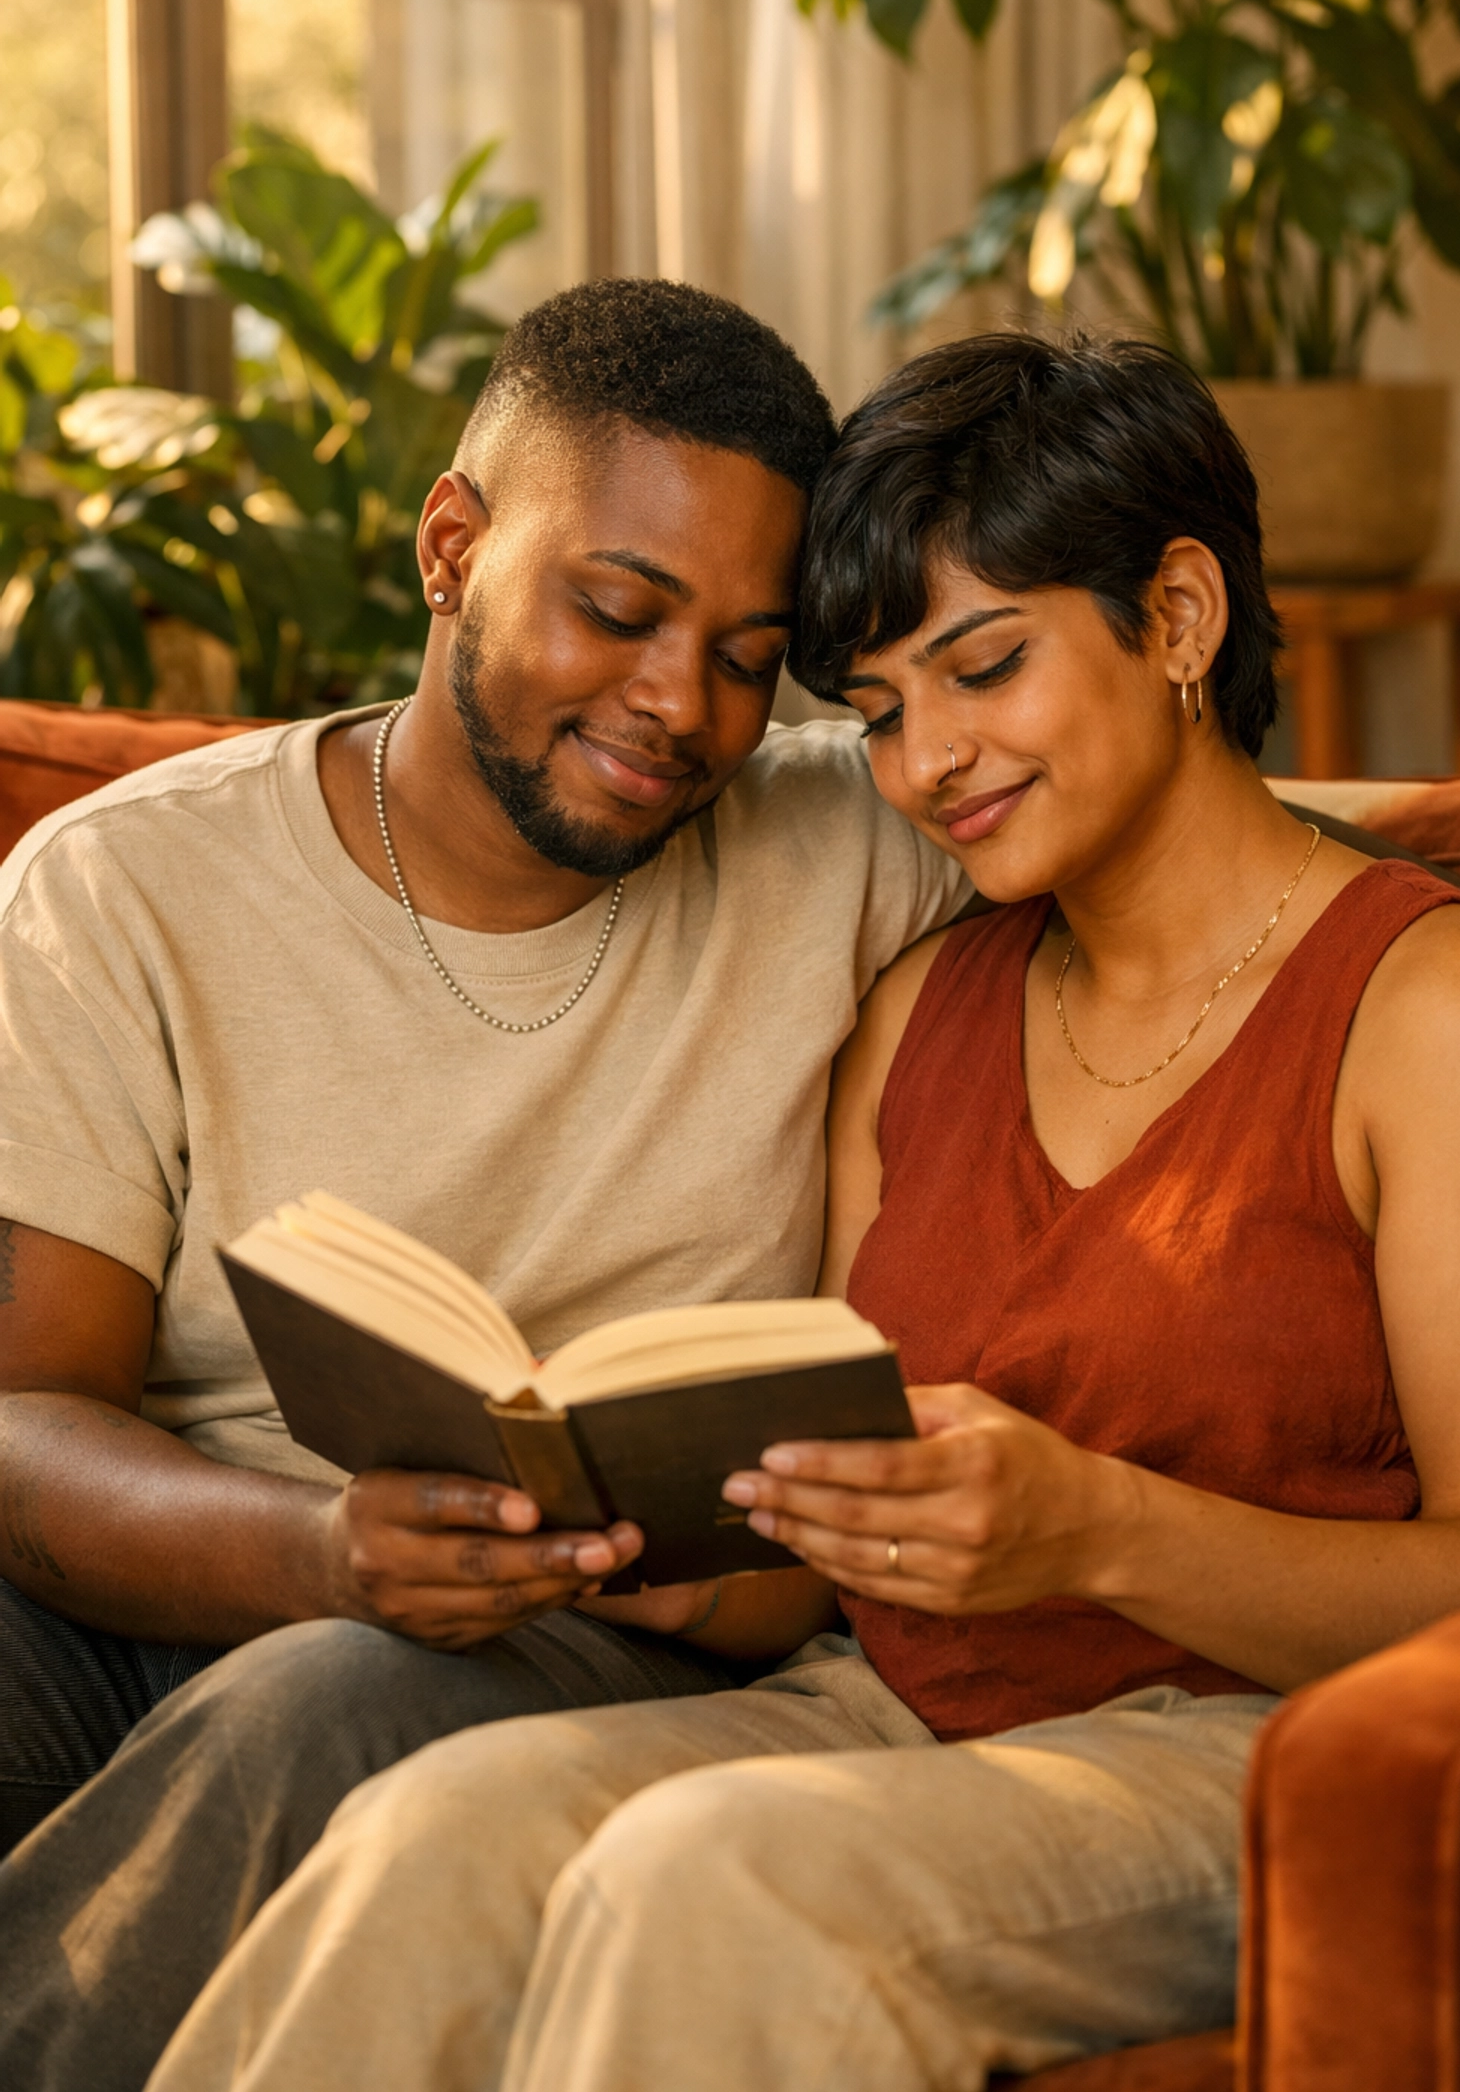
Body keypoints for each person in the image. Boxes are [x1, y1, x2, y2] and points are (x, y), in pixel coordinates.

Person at [144, 331, 1460, 2092]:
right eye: (878, 714)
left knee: (705, 1877)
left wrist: (1097, 1532)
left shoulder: (1438, 1010)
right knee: (440, 1832)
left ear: (1179, 618)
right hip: (889, 1708)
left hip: (1258, 1748)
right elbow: (809, 1578)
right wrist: (626, 1543)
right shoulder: (918, 1009)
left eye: (985, 668)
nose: (929, 762)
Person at [0, 280, 971, 2091]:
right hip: (192, 1575)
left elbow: (1195, 841)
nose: (681, 707)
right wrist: (315, 1549)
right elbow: (22, 1410)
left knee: (334, 1700)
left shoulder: (851, 836)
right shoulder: (122, 894)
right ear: (455, 545)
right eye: (618, 610)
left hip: (597, 1640)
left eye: (752, 655)